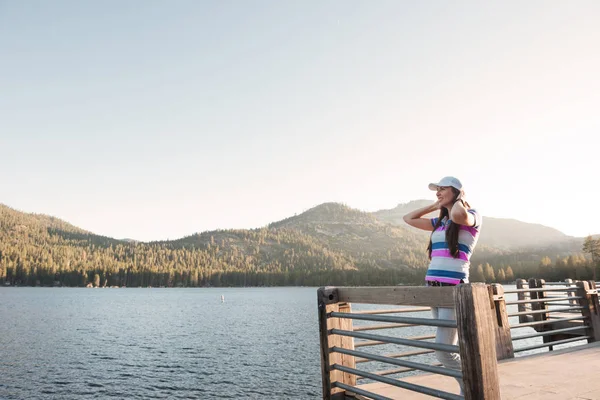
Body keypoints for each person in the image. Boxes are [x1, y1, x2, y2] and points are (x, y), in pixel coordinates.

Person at [403, 176, 482, 395]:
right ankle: (470, 389)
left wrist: (460, 200)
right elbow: (408, 218)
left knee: (443, 350)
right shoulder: (438, 222)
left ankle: (471, 390)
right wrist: (435, 205)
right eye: (436, 190)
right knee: (445, 346)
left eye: (442, 189)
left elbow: (458, 215)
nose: (437, 192)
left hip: (452, 288)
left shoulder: (472, 215)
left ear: (457, 192)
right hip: (433, 287)